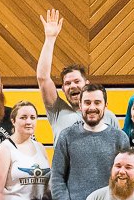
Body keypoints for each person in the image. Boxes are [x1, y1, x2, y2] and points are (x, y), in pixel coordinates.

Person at [50, 84, 129, 200]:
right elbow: (57, 177)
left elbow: (125, 180)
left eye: (97, 102)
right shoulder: (66, 136)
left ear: (105, 106)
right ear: (80, 106)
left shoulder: (120, 138)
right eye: (87, 103)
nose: (92, 107)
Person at [36, 9, 119, 141]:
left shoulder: (108, 117)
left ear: (87, 84)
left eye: (76, 81)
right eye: (67, 83)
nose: (72, 86)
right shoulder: (57, 110)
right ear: (63, 89)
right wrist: (50, 39)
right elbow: (43, 78)